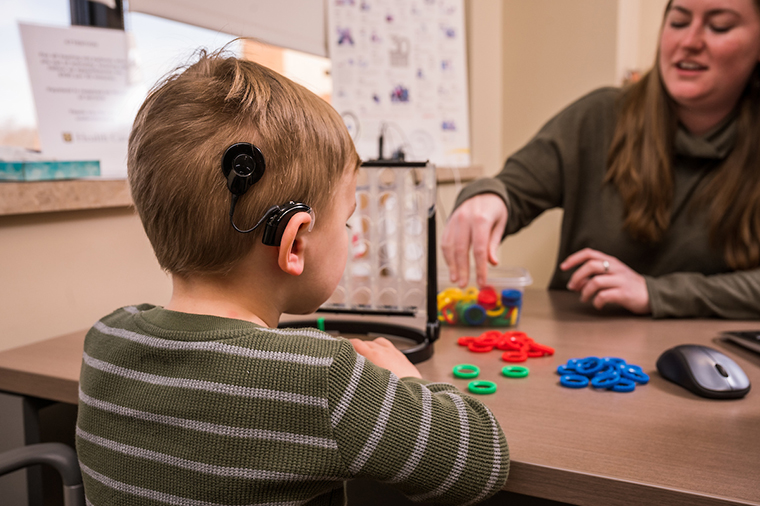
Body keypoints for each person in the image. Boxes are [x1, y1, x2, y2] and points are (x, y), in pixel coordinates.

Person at [76, 50, 508, 505]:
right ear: (295, 243)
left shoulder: (104, 339)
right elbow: (481, 459)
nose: (347, 233)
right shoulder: (322, 380)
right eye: (346, 221)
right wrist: (408, 383)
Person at [443, 0, 760, 319]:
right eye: (678, 22)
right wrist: (487, 196)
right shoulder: (599, 116)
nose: (689, 42)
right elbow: (511, 188)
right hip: (579, 348)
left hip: (711, 354)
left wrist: (655, 293)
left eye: (719, 26)